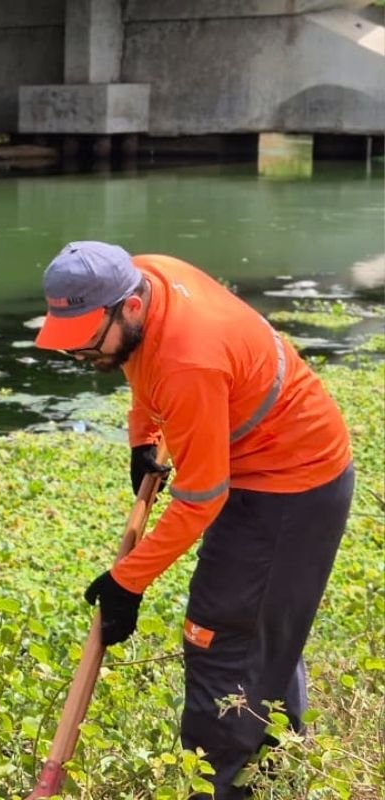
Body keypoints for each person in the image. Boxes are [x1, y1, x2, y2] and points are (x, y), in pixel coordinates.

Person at [33, 241, 355, 800]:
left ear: (128, 306)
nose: (80, 356)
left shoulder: (190, 361)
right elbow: (141, 359)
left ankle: (222, 787)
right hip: (268, 459)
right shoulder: (150, 275)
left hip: (289, 485)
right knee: (262, 633)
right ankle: (281, 777)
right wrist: (144, 437)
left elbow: (201, 498)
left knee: (222, 637)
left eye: (86, 340)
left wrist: (126, 583)